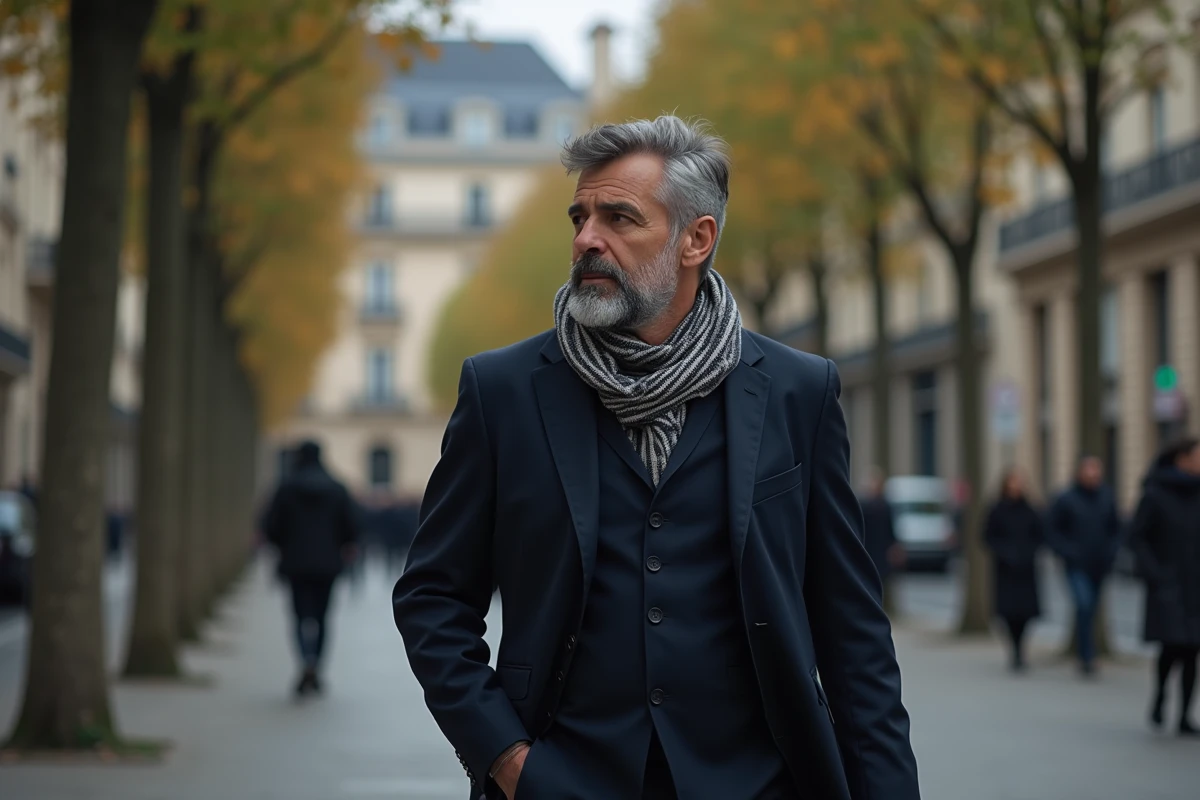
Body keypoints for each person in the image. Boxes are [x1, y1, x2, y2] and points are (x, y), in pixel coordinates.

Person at [393, 117, 919, 800]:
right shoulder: (503, 392)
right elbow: (432, 597)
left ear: (696, 238)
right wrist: (508, 758)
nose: (587, 239)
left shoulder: (798, 390)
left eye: (619, 217)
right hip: (564, 783)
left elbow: (852, 631)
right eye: (579, 216)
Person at [263, 440, 359, 697]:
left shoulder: (285, 488)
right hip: (328, 563)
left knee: (298, 615)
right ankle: (316, 663)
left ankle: (305, 660)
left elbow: (271, 526)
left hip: (295, 563)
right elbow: (351, 526)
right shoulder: (337, 488)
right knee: (323, 617)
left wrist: (284, 544)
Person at [1128, 437, 1200, 737]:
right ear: (1181, 459)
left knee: (1193, 650)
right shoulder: (1155, 494)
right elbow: (1136, 537)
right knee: (1171, 647)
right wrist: (1156, 574)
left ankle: (1185, 715)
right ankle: (1160, 698)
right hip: (1168, 584)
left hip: (1196, 585)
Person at [1046, 455, 1121, 676]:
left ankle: (1087, 652)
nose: (1093, 474)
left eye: (1096, 470)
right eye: (1089, 469)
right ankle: (1086, 656)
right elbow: (1052, 530)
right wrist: (1067, 552)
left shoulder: (1107, 497)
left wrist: (1112, 551)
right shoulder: (1066, 499)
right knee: (1084, 604)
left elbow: (1116, 528)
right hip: (1076, 564)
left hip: (1100, 563)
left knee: (1091, 607)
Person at [984, 468, 1043, 672]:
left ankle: (1021, 648)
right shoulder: (997, 509)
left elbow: (1040, 534)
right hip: (1006, 570)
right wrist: (1004, 553)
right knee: (1008, 613)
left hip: (1026, 570)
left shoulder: (1030, 509)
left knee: (1025, 613)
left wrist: (1030, 552)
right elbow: (987, 536)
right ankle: (1015, 649)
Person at [860, 467, 904, 610]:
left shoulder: (884, 505)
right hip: (870, 548)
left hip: (880, 549)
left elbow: (890, 529)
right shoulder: (865, 505)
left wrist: (895, 546)